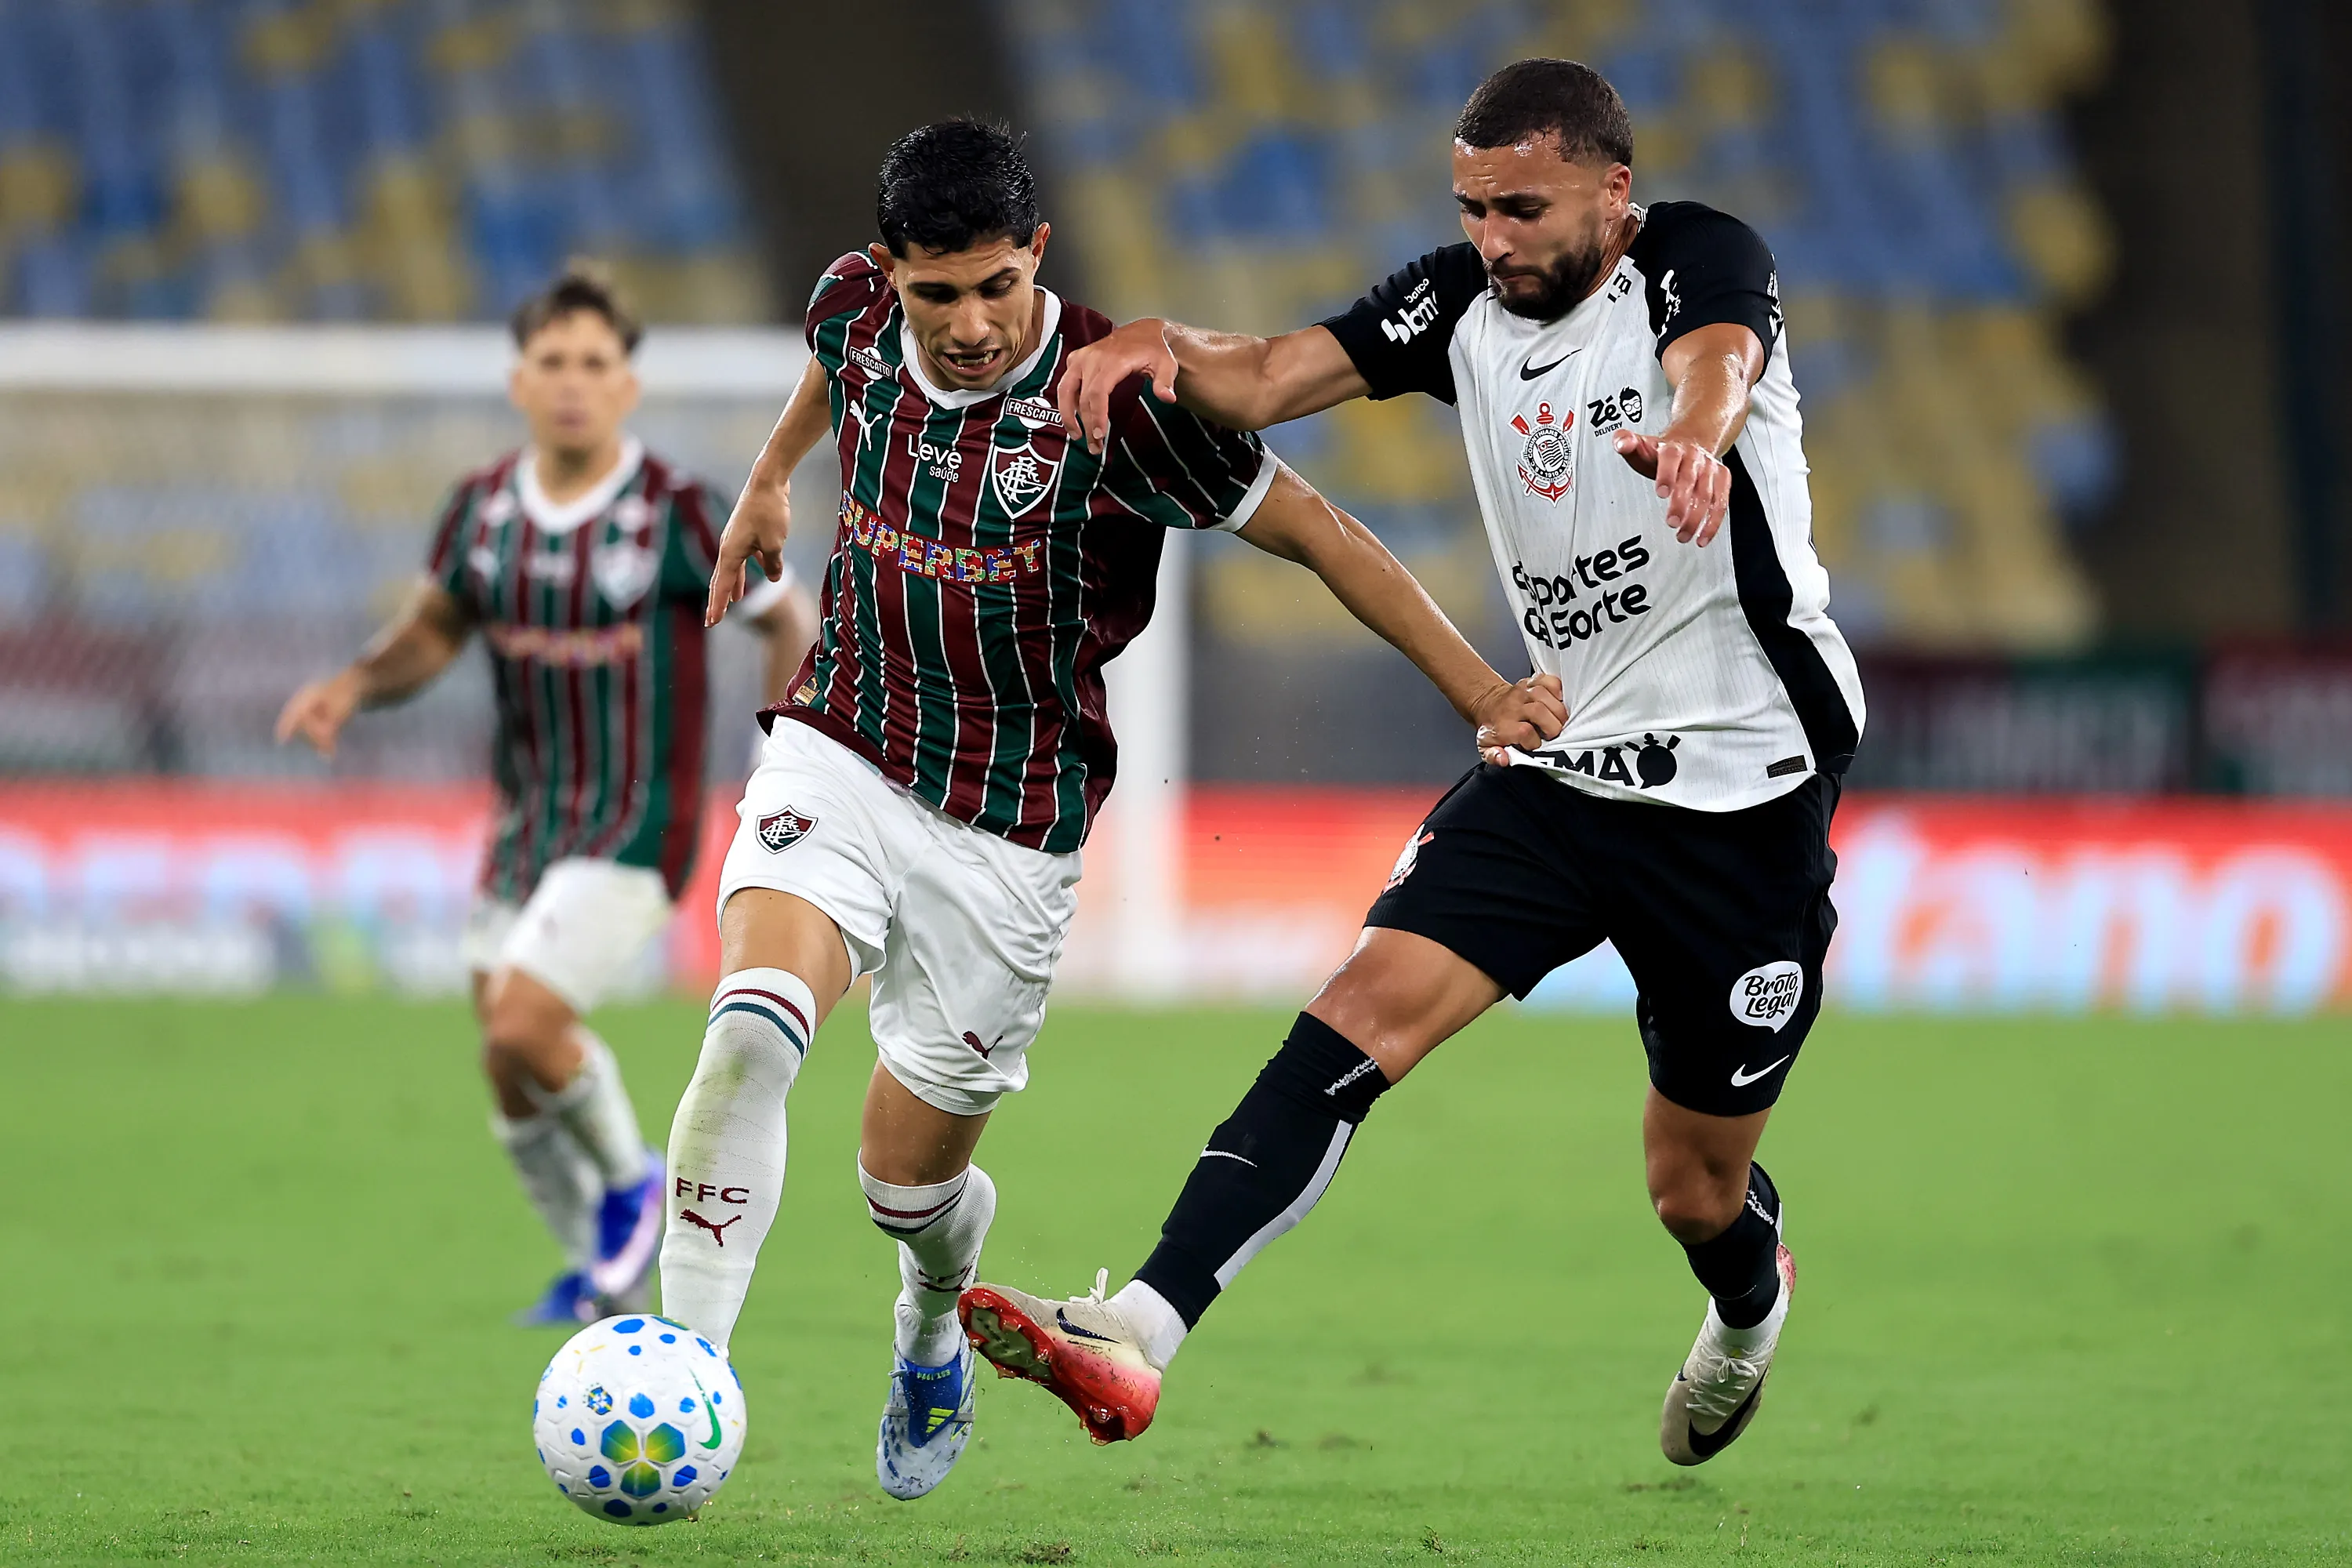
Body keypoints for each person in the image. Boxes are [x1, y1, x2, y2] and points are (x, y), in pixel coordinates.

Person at [959, 57, 1865, 1468]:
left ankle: (1750, 1306)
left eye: (1524, 208)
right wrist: (1155, 341)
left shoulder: (1696, 256)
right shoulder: (1457, 299)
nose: (1494, 239)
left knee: (1694, 1188)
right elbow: (1263, 379)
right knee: (1362, 1011)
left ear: (1612, 195)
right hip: (1563, 761)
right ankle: (1137, 1329)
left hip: (1741, 799)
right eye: (1472, 207)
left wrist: (1693, 440)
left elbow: (1721, 362)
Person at [653, 118, 1564, 1503]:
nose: (966, 325)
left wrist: (1483, 693)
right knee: (749, 1036)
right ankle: (686, 1381)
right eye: (933, 294)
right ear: (888, 273)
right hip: (838, 748)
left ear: (1040, 254)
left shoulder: (1122, 401)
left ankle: (931, 1318)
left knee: (903, 1187)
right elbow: (831, 374)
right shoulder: (849, 308)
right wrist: (775, 478)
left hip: (1010, 830)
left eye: (994, 287)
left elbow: (1316, 528)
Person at [276, 263, 817, 1327]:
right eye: (554, 362)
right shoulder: (480, 515)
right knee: (506, 1061)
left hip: (637, 824)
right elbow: (434, 630)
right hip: (526, 825)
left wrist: (777, 764)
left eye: (596, 364)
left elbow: (788, 623)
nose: (574, 382)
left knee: (528, 1021)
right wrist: (353, 682)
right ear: (519, 381)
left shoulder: (681, 512)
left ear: (628, 386)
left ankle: (634, 1185)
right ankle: (595, 1272)